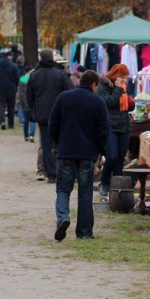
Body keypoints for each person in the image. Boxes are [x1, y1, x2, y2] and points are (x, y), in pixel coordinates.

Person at [49, 70, 110, 241]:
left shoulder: (63, 98)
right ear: (94, 84)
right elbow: (103, 131)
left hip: (66, 151)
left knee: (62, 189)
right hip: (87, 154)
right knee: (85, 192)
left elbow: (52, 124)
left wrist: (58, 143)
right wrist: (101, 152)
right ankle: (84, 232)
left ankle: (63, 218)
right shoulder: (97, 102)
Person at [27, 49, 73, 183]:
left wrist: (34, 109)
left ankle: (49, 171)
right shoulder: (60, 74)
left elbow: (30, 96)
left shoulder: (34, 75)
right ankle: (59, 169)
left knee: (45, 144)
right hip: (58, 113)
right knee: (58, 143)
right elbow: (68, 92)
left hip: (42, 114)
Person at [97, 64, 131, 198]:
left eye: (125, 77)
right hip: (110, 125)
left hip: (124, 125)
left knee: (119, 160)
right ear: (116, 75)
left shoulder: (123, 86)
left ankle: (117, 189)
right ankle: (104, 182)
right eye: (123, 77)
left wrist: (130, 102)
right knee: (111, 156)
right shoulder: (104, 85)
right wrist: (117, 89)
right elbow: (108, 103)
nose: (125, 80)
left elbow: (124, 105)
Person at [0, 52, 21, 129]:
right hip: (11, 89)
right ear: (8, 57)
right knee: (11, 107)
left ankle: (2, 121)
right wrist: (15, 86)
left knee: (1, 106)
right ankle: (10, 124)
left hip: (1, 89)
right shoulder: (14, 66)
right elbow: (17, 78)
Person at [17, 68, 36, 142]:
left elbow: (20, 92)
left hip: (24, 103)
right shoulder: (33, 78)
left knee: (26, 120)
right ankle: (31, 135)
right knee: (33, 120)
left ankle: (26, 136)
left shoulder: (22, 79)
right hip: (32, 103)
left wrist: (20, 102)